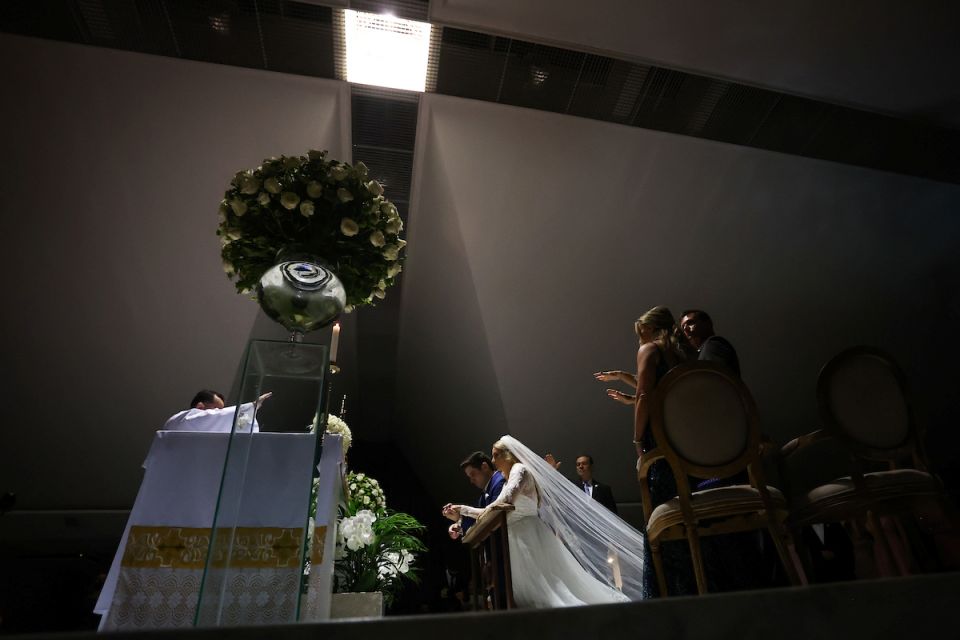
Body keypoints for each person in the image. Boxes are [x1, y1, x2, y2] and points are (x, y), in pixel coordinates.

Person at [447, 437, 648, 608]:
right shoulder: (509, 477)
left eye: (495, 455)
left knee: (551, 591)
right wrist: (462, 513)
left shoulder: (519, 470)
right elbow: (492, 509)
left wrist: (462, 510)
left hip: (528, 535)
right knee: (532, 595)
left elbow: (503, 503)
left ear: (507, 454)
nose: (492, 460)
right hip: (516, 539)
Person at [443, 451, 506, 540]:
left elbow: (493, 515)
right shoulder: (483, 495)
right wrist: (458, 521)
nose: (471, 481)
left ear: (484, 467)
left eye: (473, 474)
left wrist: (462, 509)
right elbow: (476, 519)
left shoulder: (500, 481)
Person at [162, 389, 272, 432]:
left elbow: (233, 427)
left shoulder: (205, 430)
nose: (220, 414)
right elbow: (217, 419)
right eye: (217, 410)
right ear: (200, 407)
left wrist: (248, 414)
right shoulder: (185, 419)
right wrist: (251, 407)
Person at [543, 453, 618, 514]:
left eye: (584, 463)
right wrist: (552, 471)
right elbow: (557, 484)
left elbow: (613, 514)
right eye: (578, 464)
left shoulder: (604, 489)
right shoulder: (571, 486)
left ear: (591, 466)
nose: (581, 466)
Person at [679, 309, 740, 376]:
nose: (685, 329)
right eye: (683, 328)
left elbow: (716, 380)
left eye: (690, 323)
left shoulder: (712, 345)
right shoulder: (703, 352)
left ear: (707, 324)